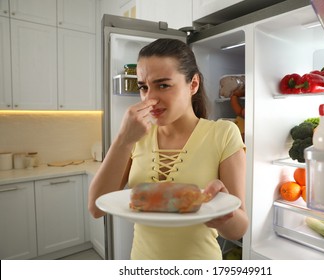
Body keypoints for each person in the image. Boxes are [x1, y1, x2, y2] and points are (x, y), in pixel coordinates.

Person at [88, 38, 248, 260]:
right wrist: (124, 139)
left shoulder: (223, 134)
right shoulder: (136, 137)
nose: (150, 98)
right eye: (144, 87)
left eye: (163, 85)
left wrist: (224, 211)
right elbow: (96, 208)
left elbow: (239, 229)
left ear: (193, 84)